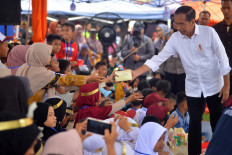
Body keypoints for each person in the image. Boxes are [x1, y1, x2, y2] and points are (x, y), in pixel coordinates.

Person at [131, 6, 230, 155]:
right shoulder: (176, 38)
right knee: (194, 123)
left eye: (182, 23)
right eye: (176, 23)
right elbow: (159, 58)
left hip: (215, 85)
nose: (178, 27)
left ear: (192, 22)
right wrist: (135, 73)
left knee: (217, 121)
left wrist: (226, 84)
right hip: (193, 87)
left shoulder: (209, 33)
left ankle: (219, 151)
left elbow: (223, 58)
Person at [213, 0, 232, 94]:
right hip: (220, 73)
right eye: (224, 8)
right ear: (221, 9)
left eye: (228, 7)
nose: (226, 10)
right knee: (220, 103)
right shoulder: (214, 29)